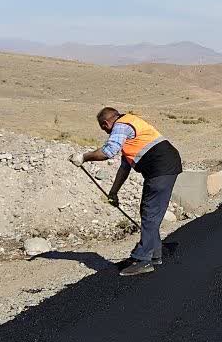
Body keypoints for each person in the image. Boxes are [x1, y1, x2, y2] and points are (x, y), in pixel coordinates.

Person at [71, 107, 183, 276]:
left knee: (150, 212)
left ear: (106, 123)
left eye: (105, 129)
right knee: (149, 212)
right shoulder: (131, 131)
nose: (107, 132)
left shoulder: (121, 125)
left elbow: (109, 151)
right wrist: (113, 192)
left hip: (161, 167)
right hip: (163, 166)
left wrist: (84, 157)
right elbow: (125, 167)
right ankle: (154, 254)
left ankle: (142, 259)